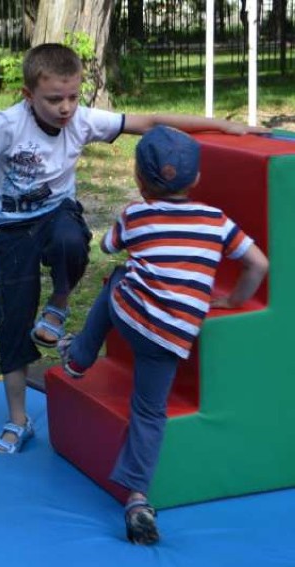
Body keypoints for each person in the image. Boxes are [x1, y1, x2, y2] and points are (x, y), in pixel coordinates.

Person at [0, 42, 268, 457]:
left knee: (71, 239)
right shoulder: (8, 124)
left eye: (74, 97)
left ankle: (59, 304)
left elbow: (150, 121)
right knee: (11, 320)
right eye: (54, 99)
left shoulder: (82, 120)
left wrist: (223, 126)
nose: (65, 108)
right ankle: (18, 419)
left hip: (56, 213)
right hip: (9, 230)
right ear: (28, 96)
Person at [57, 126, 268, 544]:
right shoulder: (217, 221)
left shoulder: (136, 215)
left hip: (132, 319)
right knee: (150, 412)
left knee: (117, 279)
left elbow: (107, 247)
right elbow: (258, 265)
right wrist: (229, 300)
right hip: (174, 336)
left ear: (139, 180)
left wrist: (131, 231)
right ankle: (137, 498)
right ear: (196, 180)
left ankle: (80, 356)